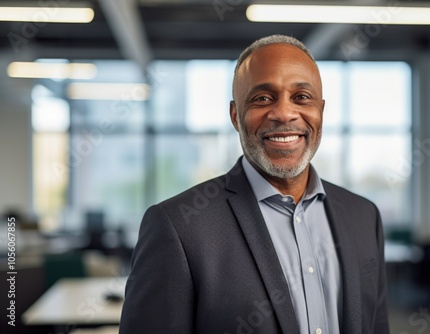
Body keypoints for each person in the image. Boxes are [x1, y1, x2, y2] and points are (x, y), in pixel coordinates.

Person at [119, 34, 389, 334]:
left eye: (301, 97)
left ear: (320, 112)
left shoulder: (364, 216)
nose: (285, 114)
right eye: (263, 98)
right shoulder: (178, 227)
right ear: (236, 116)